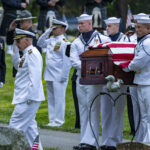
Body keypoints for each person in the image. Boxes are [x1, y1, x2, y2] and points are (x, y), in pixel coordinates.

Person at [70, 14, 110, 150]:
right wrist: (89, 66)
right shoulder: (76, 42)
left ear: (89, 24)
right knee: (83, 109)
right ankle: (84, 140)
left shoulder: (103, 39)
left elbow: (107, 57)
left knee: (93, 108)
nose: (79, 26)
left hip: (95, 80)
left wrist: (91, 67)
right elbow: (74, 61)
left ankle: (91, 142)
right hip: (81, 79)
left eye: (82, 23)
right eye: (78, 24)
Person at [9, 28, 45, 150]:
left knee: (14, 128)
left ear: (27, 40)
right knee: (30, 130)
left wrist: (30, 98)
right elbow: (17, 65)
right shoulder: (26, 53)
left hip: (27, 98)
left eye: (18, 41)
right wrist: (14, 47)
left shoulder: (32, 54)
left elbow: (35, 77)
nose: (17, 43)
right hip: (26, 97)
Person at [100, 17, 130, 150]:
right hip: (104, 79)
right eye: (106, 26)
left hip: (120, 81)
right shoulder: (103, 40)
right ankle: (106, 141)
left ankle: (115, 141)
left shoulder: (126, 40)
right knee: (105, 111)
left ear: (117, 27)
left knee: (117, 111)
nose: (107, 29)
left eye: (110, 26)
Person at [37, 19, 71, 127]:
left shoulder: (65, 43)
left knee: (59, 99)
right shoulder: (51, 40)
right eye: (53, 27)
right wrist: (47, 32)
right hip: (49, 74)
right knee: (51, 98)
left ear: (62, 29)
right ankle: (52, 120)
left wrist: (64, 76)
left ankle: (59, 121)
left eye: (55, 28)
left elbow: (67, 61)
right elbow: (40, 42)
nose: (53, 29)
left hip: (59, 75)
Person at [122, 16, 150, 142]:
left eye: (139, 27)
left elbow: (139, 61)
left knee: (147, 115)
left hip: (147, 82)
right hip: (142, 81)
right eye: (136, 27)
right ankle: (145, 140)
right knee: (144, 115)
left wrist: (126, 67)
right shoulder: (143, 41)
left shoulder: (147, 43)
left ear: (148, 28)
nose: (136, 30)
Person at [6, 10, 41, 77]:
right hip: (18, 63)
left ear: (29, 21)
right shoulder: (18, 32)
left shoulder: (34, 34)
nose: (20, 23)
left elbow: (37, 52)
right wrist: (11, 30)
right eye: (19, 21)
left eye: (22, 21)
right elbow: (9, 42)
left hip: (29, 65)